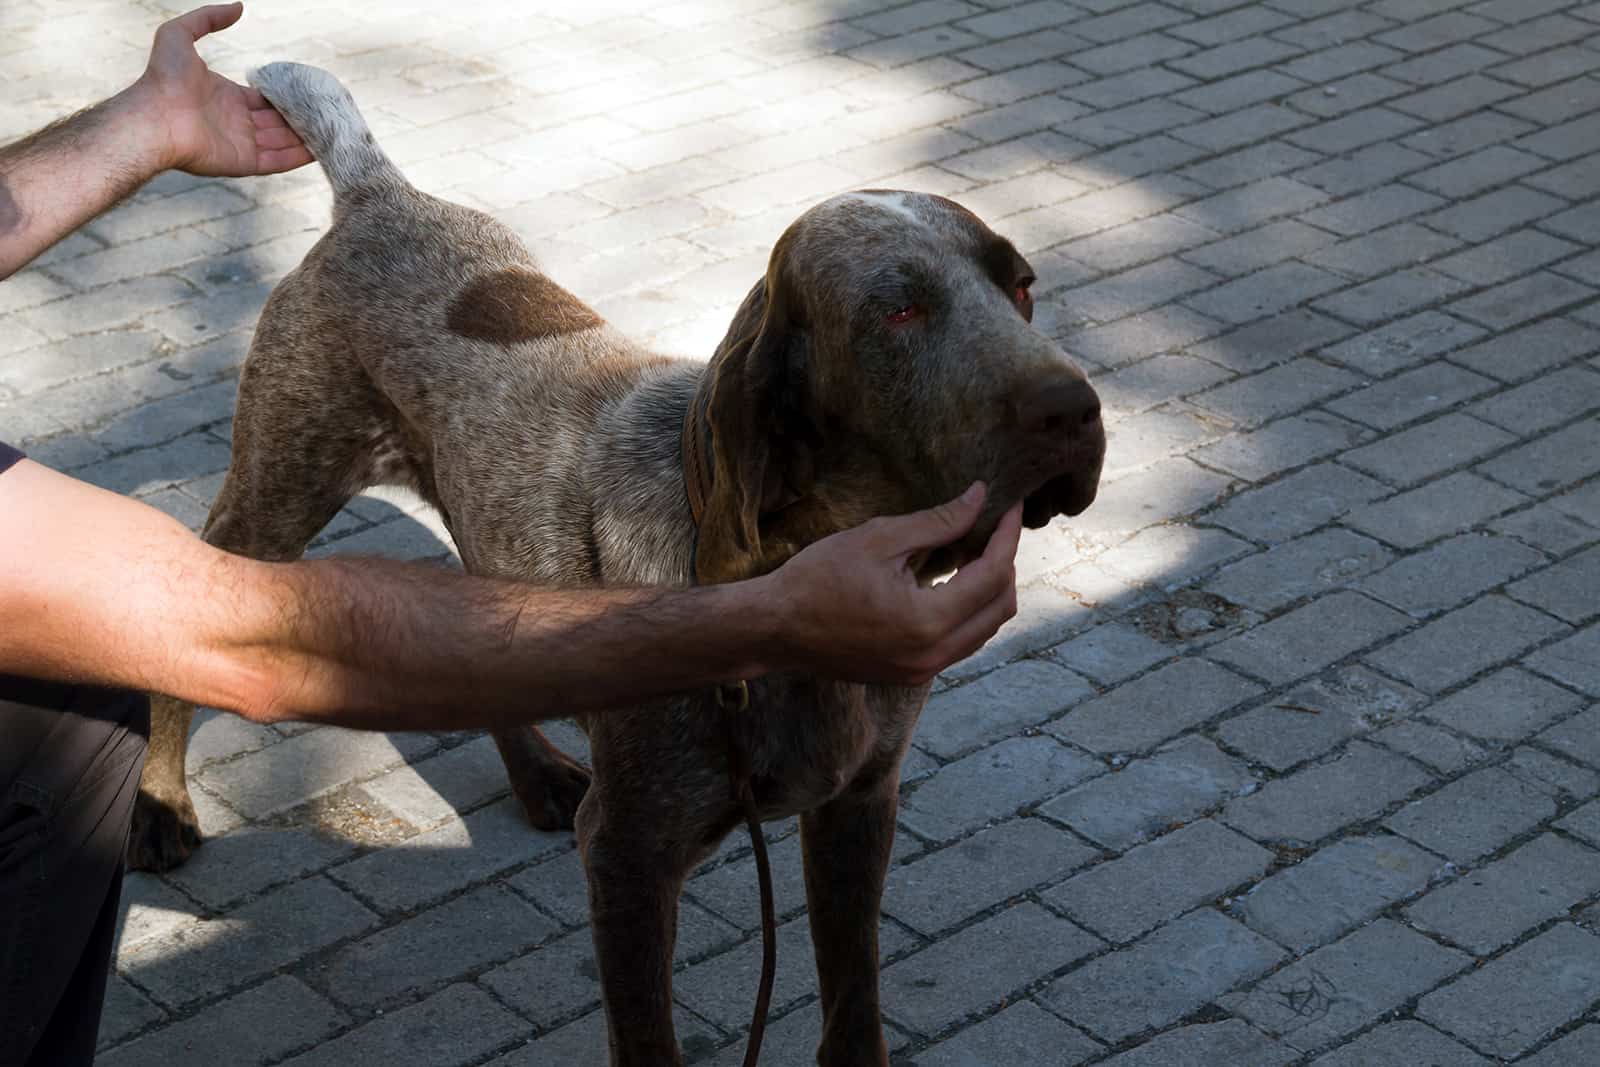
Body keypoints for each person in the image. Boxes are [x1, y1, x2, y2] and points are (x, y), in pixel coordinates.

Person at [0, 5, 1023, 1064]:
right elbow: (222, 618)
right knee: (252, 541)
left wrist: (145, 120)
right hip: (362, 325)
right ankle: (162, 757)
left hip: (478, 329)